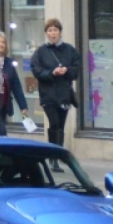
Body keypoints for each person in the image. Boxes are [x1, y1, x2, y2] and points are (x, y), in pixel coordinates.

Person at [31, 18, 80, 161]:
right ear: (46, 33)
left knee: (61, 126)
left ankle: (58, 155)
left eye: (56, 30)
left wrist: (67, 70)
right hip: (48, 95)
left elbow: (76, 69)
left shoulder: (69, 50)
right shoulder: (40, 52)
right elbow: (36, 71)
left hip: (64, 94)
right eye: (50, 30)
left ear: (60, 32)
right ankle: (52, 154)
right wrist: (51, 73)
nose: (53, 33)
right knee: (54, 123)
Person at [0, 32, 30, 133]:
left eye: (3, 42)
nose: (1, 44)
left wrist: (23, 107)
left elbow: (16, 86)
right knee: (1, 130)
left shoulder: (9, 63)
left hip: (3, 105)